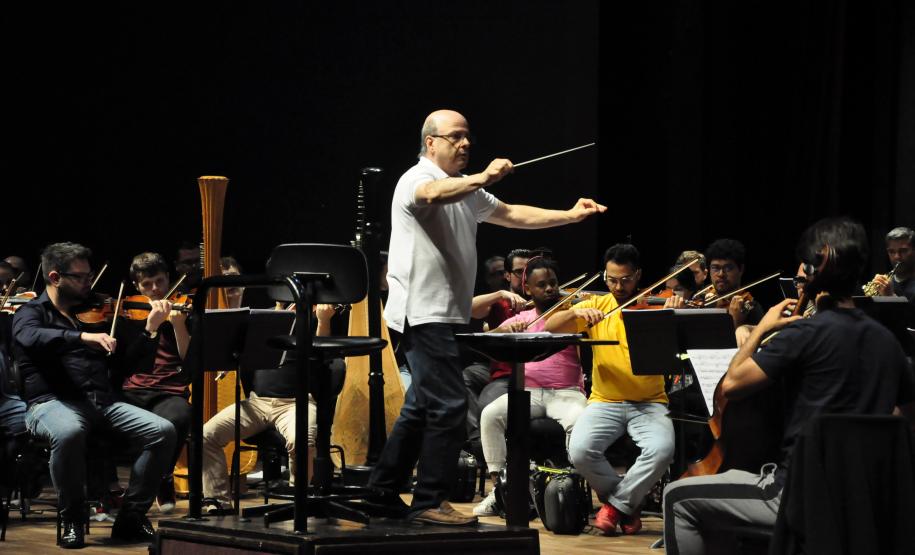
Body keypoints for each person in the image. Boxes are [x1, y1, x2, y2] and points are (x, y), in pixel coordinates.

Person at [368, 108, 605, 526]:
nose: (465, 144)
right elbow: (432, 196)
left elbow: (513, 214)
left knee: (422, 404)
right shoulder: (417, 179)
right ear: (431, 143)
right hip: (422, 314)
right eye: (455, 137)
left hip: (441, 314)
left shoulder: (466, 193)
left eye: (468, 138)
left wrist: (570, 215)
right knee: (448, 403)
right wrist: (483, 177)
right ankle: (428, 501)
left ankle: (382, 491)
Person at [662, 217, 915, 555]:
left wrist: (761, 328)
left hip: (799, 494)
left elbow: (733, 384)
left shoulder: (803, 334)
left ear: (811, 273)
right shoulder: (888, 342)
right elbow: (905, 418)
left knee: (678, 497)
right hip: (869, 503)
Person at [12, 242, 176, 548]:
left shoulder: (95, 311)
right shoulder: (31, 313)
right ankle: (72, 518)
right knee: (70, 431)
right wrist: (80, 336)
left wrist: (149, 331)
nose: (90, 283)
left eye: (90, 276)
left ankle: (130, 517)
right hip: (50, 404)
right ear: (55, 277)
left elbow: (126, 364)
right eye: (82, 277)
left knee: (163, 431)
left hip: (101, 402)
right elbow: (30, 337)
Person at [545, 243, 674, 535]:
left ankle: (616, 507)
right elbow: (552, 325)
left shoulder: (655, 308)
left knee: (663, 449)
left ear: (638, 275)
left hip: (650, 401)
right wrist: (576, 314)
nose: (618, 286)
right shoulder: (599, 304)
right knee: (579, 451)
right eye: (612, 279)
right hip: (605, 400)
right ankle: (630, 503)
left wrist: (674, 313)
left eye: (626, 279)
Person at [473, 256, 586, 516]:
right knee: (491, 414)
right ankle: (501, 490)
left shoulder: (569, 314)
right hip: (530, 393)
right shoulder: (522, 317)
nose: (549, 289)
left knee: (580, 421)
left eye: (553, 283)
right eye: (542, 285)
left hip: (566, 393)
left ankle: (569, 491)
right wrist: (507, 330)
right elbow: (486, 339)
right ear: (528, 290)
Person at [200, 303, 336, 512]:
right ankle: (219, 502)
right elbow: (239, 349)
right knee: (206, 434)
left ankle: (297, 502)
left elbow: (323, 353)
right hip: (257, 403)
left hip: (296, 403)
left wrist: (324, 320)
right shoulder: (263, 322)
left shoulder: (310, 318)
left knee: (302, 441)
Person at [114, 252, 192, 515]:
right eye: (147, 285)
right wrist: (151, 326)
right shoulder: (127, 312)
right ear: (137, 286)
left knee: (181, 417)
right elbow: (126, 360)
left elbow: (188, 359)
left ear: (169, 278)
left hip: (169, 389)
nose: (156, 289)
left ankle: (164, 476)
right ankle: (113, 491)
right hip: (133, 388)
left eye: (160, 281)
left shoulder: (183, 309)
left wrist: (180, 326)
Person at [703, 239, 765, 327]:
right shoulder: (703, 300)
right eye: (715, 268)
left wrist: (736, 322)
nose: (721, 274)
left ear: (741, 270)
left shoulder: (751, 309)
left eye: (728, 268)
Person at [867, 226, 915, 302]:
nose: (897, 257)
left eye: (903, 251)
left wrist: (890, 297)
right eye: (892, 252)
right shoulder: (885, 284)